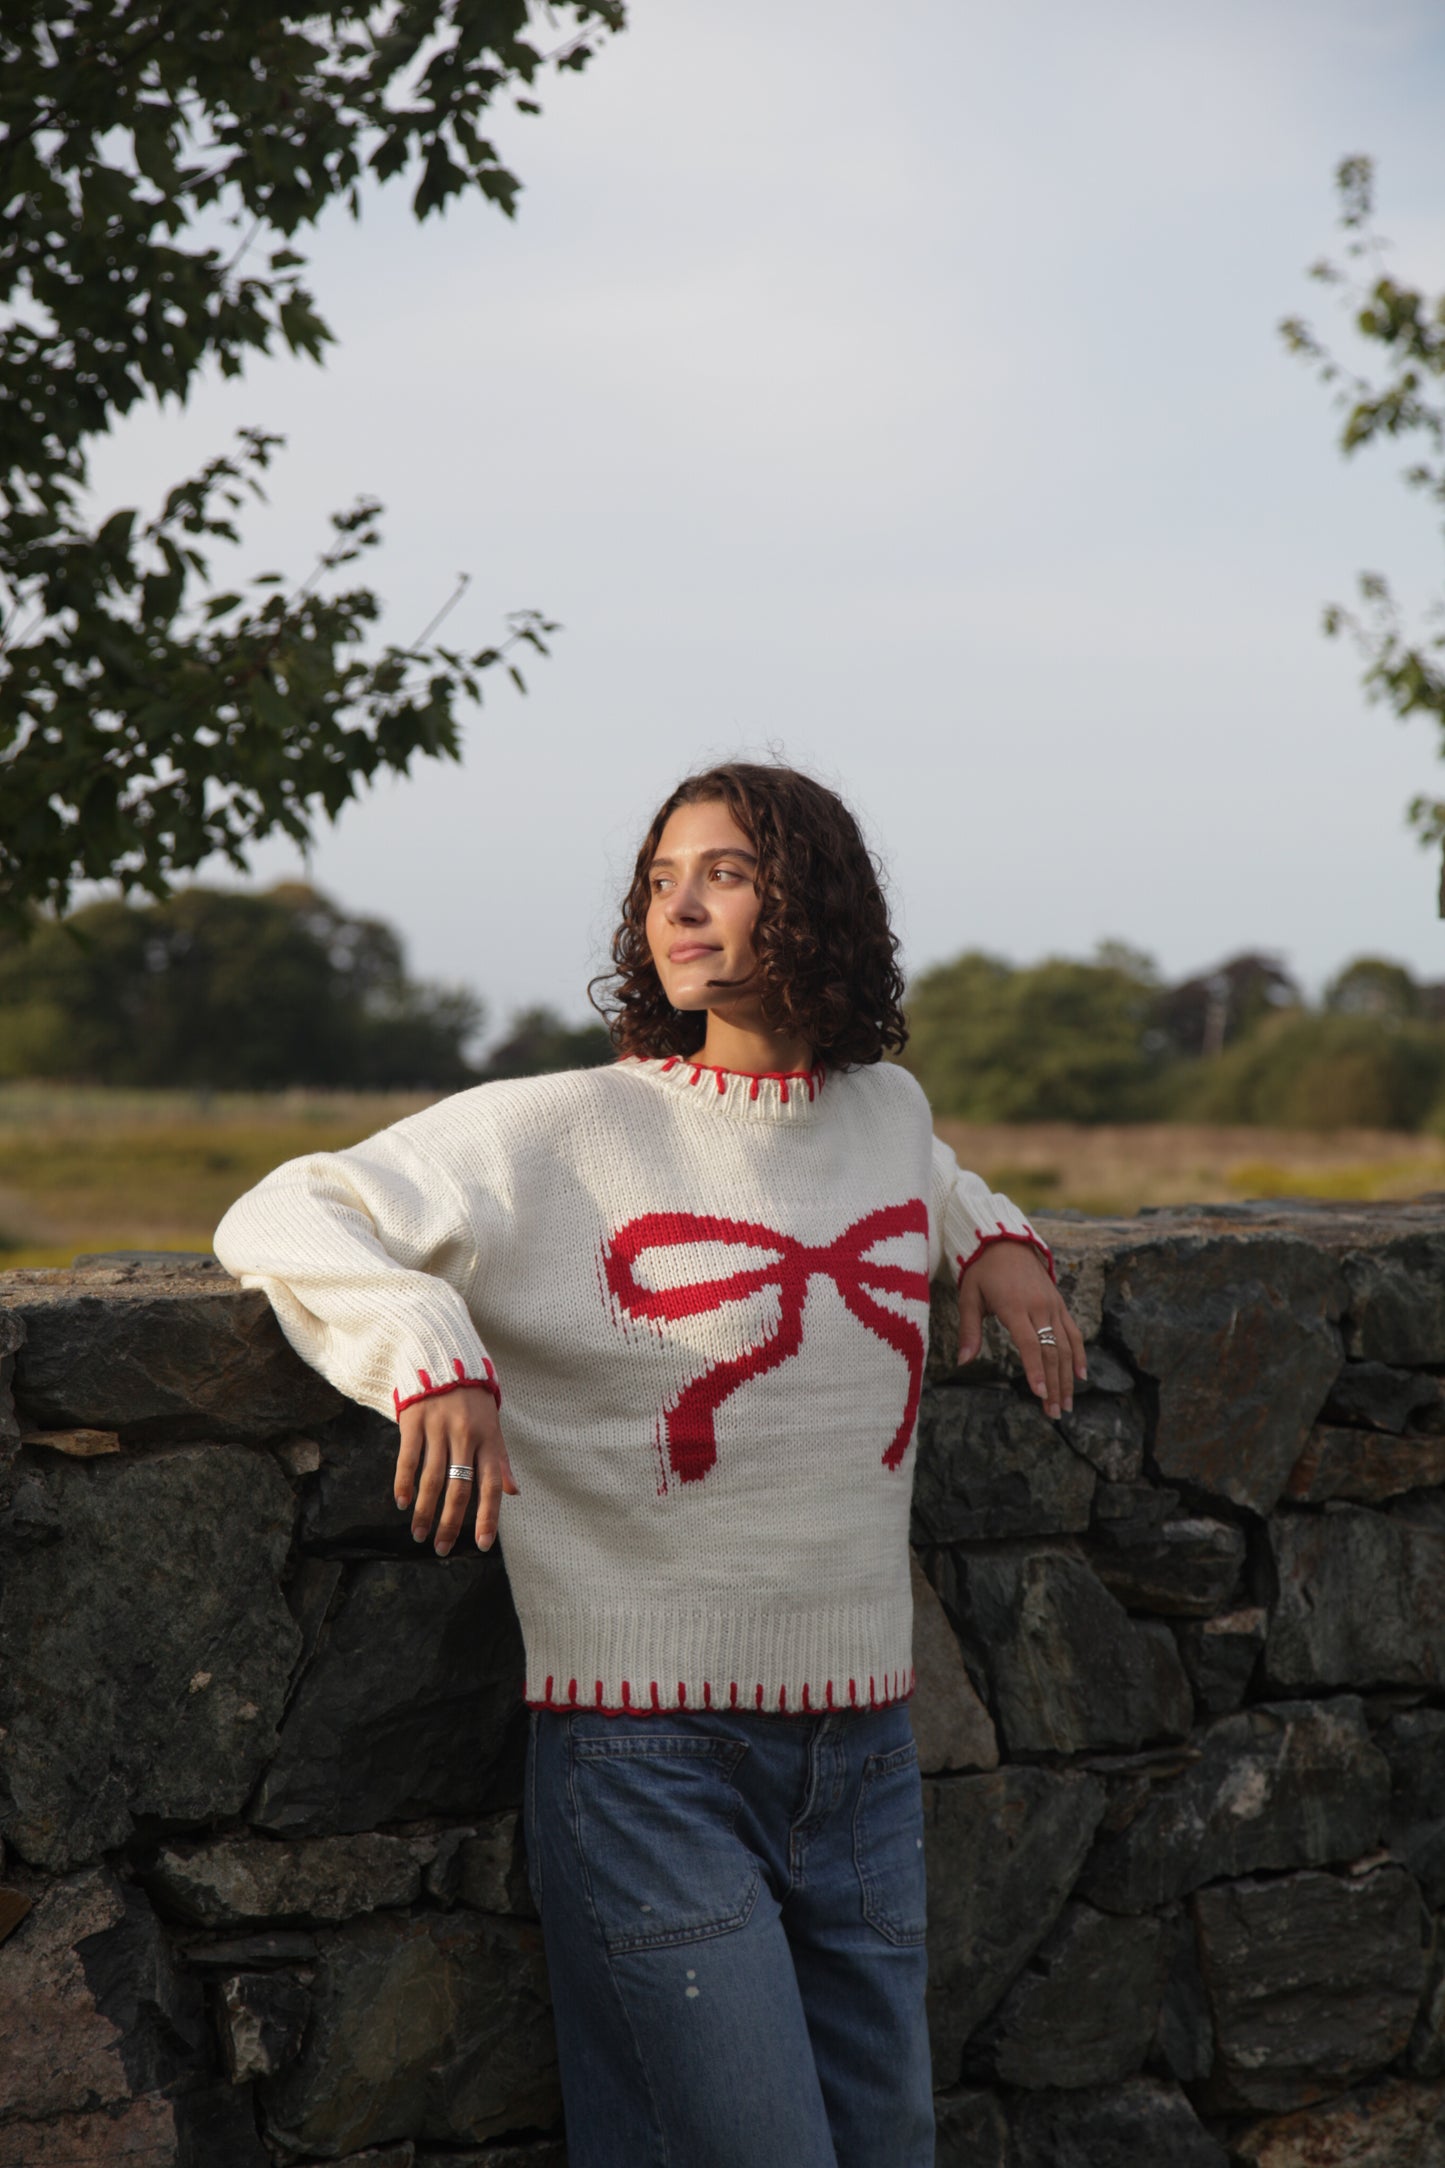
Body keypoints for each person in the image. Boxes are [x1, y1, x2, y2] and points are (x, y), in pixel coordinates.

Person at [214, 762, 1086, 2168]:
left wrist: (987, 1231)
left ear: (813, 905)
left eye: (725, 872)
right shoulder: (562, 1128)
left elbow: (896, 1170)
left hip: (863, 1748)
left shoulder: (885, 1112)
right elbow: (286, 1208)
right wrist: (428, 1344)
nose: (678, 904)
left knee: (889, 2149)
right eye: (659, 878)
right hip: (646, 1755)